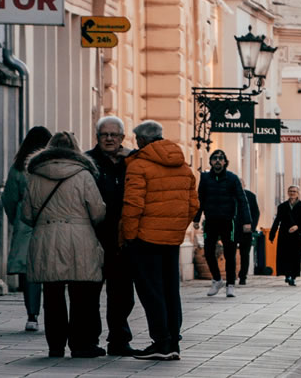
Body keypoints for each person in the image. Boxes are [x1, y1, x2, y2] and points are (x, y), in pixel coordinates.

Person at [21, 132, 107, 358]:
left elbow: (26, 214)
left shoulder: (35, 175)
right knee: (81, 295)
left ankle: (55, 346)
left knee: (52, 295)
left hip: (46, 238)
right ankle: (79, 345)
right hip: (80, 239)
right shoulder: (84, 174)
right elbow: (97, 212)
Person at [121, 120, 199, 361]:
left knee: (151, 292)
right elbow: (193, 205)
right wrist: (176, 228)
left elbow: (133, 205)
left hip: (145, 239)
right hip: (172, 240)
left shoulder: (139, 165)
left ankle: (161, 342)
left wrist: (130, 236)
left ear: (142, 140)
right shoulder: (183, 165)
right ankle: (173, 341)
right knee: (169, 291)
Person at [86, 116, 138, 355]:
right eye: (104, 135)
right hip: (93, 237)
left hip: (122, 239)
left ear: (122, 138)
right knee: (90, 293)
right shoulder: (88, 162)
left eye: (114, 135)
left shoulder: (131, 163)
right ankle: (89, 340)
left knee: (122, 294)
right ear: (97, 137)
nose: (109, 139)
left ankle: (119, 340)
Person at [0, 125, 51, 332]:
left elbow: (9, 198)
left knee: (29, 273)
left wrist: (17, 220)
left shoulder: (19, 168)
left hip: (25, 224)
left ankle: (32, 315)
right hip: (49, 222)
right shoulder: (51, 168)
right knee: (50, 272)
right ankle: (53, 313)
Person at [193, 149, 251, 297]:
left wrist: (247, 221)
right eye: (214, 158)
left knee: (229, 253)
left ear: (225, 162)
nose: (217, 161)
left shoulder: (232, 178)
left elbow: (242, 200)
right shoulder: (205, 178)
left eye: (220, 158)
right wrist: (196, 218)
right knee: (208, 251)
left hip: (228, 220)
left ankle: (230, 284)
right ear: (211, 162)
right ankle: (217, 279)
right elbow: (200, 199)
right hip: (211, 220)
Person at [270, 185, 301, 285]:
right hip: (284, 235)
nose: (292, 193)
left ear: (298, 193)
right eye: (290, 191)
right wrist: (272, 234)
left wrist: (297, 227)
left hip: (297, 236)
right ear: (288, 193)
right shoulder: (282, 206)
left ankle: (293, 276)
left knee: (295, 257)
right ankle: (287, 275)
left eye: (294, 191)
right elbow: (277, 221)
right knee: (285, 256)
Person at [236, 181, 261, 286]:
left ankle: (243, 276)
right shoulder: (229, 195)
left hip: (246, 230)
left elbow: (256, 212)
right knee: (229, 253)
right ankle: (231, 276)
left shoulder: (250, 196)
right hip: (232, 229)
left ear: (244, 185)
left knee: (245, 254)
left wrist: (252, 226)